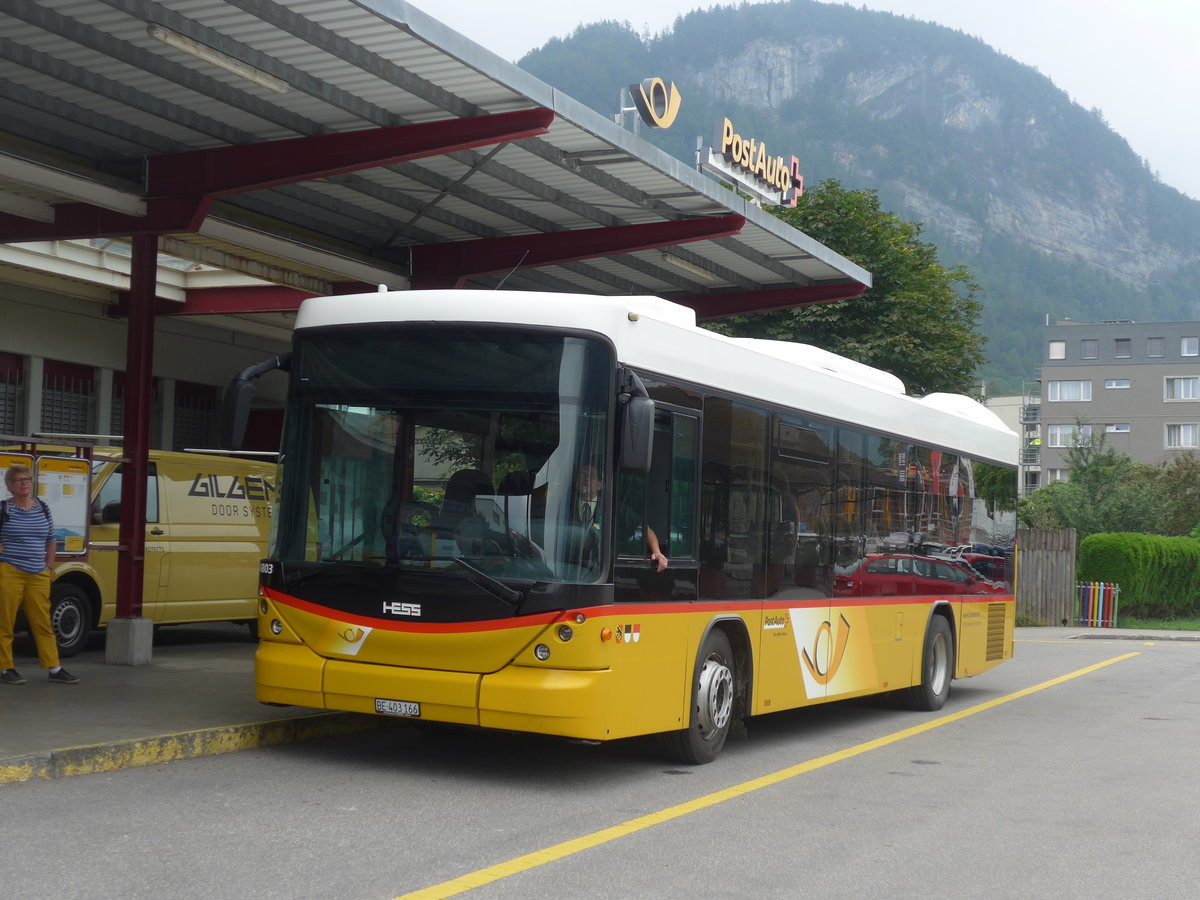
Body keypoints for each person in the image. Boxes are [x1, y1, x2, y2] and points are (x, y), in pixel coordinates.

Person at [0, 464, 78, 685]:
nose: (24, 483)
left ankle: (54, 668)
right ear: (10, 486)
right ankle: (5, 668)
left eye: (27, 479)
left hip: (38, 574)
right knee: (5, 623)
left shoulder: (42, 507)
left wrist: (48, 566)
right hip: (9, 571)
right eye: (18, 480)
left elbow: (51, 538)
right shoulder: (4, 508)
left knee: (42, 622)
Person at [573, 464, 668, 572]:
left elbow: (646, 530)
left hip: (599, 570)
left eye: (592, 476)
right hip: (569, 566)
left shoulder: (614, 508)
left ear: (601, 485)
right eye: (583, 475)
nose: (587, 479)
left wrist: (657, 552)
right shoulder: (565, 504)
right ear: (577, 482)